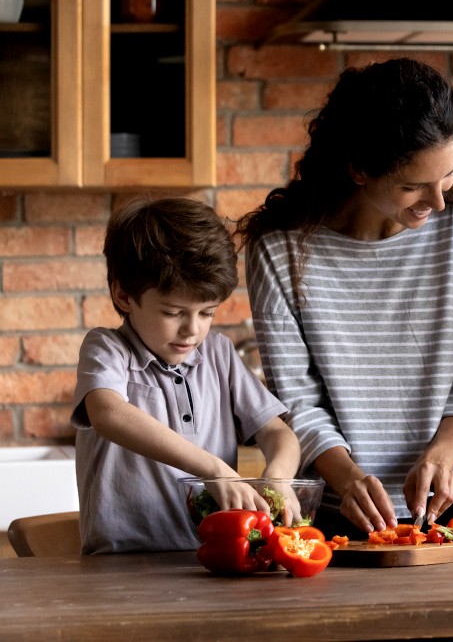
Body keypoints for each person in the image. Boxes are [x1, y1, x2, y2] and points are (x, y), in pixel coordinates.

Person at [236, 57, 453, 541]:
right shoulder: (280, 250)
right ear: (359, 169)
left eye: (447, 175)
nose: (439, 201)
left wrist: (441, 457)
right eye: (412, 186)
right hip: (341, 511)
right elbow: (297, 395)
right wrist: (348, 478)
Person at [73, 197, 302, 554]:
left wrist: (278, 477)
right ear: (124, 296)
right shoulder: (108, 348)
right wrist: (212, 468)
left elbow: (277, 432)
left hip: (213, 558)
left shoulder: (219, 354)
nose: (191, 331)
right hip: (121, 564)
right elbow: (107, 413)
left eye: (207, 313)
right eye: (173, 312)